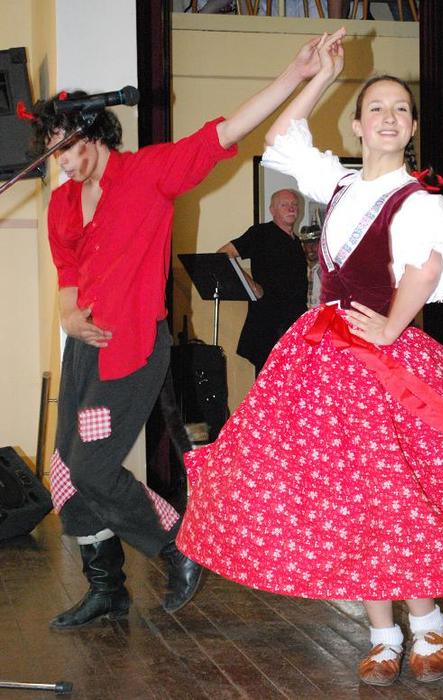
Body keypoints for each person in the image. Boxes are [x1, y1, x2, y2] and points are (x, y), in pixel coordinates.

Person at [176, 29, 443, 687]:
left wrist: (391, 328)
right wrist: (321, 77)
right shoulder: (336, 183)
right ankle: (382, 634)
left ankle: (426, 625)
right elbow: (284, 133)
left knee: (393, 491)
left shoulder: (416, 197)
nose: (389, 117)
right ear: (357, 126)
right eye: (376, 108)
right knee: (352, 496)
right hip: (323, 362)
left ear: (411, 127)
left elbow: (426, 266)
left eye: (401, 109)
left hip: (383, 364)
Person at [29, 32, 340, 631]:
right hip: (83, 354)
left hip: (130, 351)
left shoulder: (147, 173)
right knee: (66, 472)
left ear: (93, 131)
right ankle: (107, 588)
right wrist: (67, 314)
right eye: (50, 150)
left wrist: (297, 74)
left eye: (64, 145)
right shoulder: (63, 203)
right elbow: (68, 273)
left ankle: (178, 545)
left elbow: (225, 133)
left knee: (91, 467)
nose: (60, 161)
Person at [218, 189, 307, 375]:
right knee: (268, 382)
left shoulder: (296, 242)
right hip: (269, 325)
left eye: (294, 204)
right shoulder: (261, 233)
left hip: (294, 324)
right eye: (284, 205)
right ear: (272, 210)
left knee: (292, 381)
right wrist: (250, 285)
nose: (291, 208)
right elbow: (224, 254)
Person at [298, 222, 322, 308]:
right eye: (307, 244)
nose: (311, 248)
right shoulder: (300, 269)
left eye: (314, 243)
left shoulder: (325, 270)